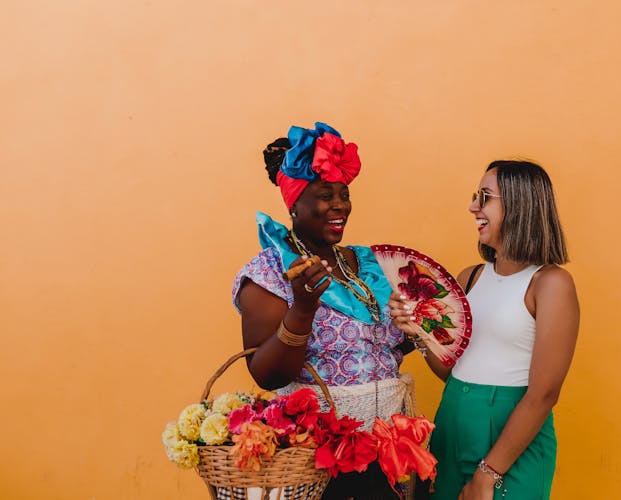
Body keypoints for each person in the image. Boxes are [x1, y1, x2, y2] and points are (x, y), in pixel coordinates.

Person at [228, 122, 416, 500]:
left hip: (389, 452)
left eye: (344, 194)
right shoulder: (269, 272)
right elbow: (266, 374)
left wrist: (412, 325)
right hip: (317, 460)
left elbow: (382, 349)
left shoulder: (372, 264)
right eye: (325, 195)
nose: (340, 205)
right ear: (294, 203)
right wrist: (302, 308)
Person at [389, 160, 579, 500]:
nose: (473, 206)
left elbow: (544, 394)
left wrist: (487, 474)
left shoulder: (550, 283)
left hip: (510, 440)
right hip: (451, 423)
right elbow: (451, 369)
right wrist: (419, 332)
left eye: (485, 197)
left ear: (519, 206)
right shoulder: (469, 278)